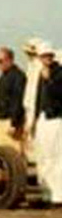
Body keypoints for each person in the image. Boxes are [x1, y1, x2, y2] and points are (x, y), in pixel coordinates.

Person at [34, 42, 62, 204]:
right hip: (44, 117)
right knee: (44, 155)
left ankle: (58, 194)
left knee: (56, 156)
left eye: (48, 56)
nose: (46, 59)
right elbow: (39, 98)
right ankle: (46, 192)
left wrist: (49, 79)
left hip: (56, 118)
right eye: (43, 56)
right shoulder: (41, 74)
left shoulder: (58, 73)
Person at [0, 46, 27, 137]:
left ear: (9, 60)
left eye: (0, 61)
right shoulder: (2, 77)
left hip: (13, 122)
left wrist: (14, 123)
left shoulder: (18, 76)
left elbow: (17, 101)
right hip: (2, 119)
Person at [22, 37, 44, 137]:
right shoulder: (31, 66)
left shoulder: (39, 67)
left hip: (36, 108)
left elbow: (35, 93)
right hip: (29, 106)